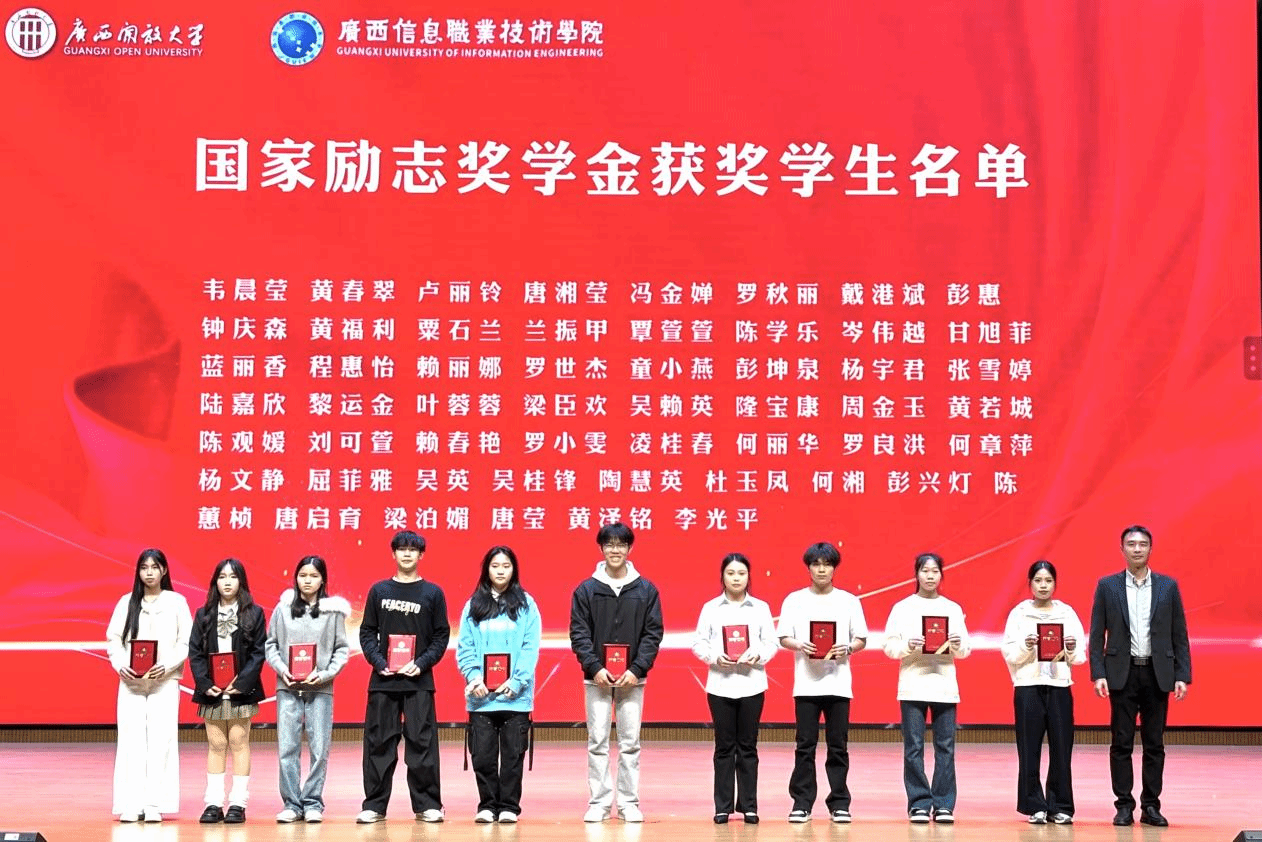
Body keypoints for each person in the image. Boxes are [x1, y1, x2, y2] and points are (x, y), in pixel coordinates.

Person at [1089, 525, 1191, 827]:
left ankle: (1151, 806)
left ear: (1150, 549)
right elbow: (1096, 633)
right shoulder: (1107, 586)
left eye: (1143, 544)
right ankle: (1123, 805)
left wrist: (1182, 674)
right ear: (1121, 549)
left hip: (1157, 673)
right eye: (1131, 544)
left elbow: (1179, 633)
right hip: (1122, 672)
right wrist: (1098, 672)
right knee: (1121, 742)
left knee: (1154, 743)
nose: (1137, 549)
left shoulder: (1167, 586)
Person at [570, 522, 664, 823]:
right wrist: (595, 667)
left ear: (629, 548)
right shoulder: (586, 589)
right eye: (609, 544)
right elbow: (579, 634)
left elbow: (653, 634)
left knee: (630, 743)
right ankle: (599, 803)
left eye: (621, 544)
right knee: (597, 741)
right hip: (596, 679)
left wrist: (636, 669)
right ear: (601, 548)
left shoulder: (646, 590)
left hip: (632, 680)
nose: (615, 550)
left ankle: (628, 803)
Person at [356, 530, 451, 824]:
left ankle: (427, 805)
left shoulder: (432, 593)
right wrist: (378, 662)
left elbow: (441, 635)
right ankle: (374, 805)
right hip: (383, 681)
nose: (407, 553)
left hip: (419, 681)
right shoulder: (379, 591)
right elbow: (367, 632)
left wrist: (421, 664)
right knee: (379, 744)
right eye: (402, 549)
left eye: (413, 549)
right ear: (393, 554)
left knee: (422, 744)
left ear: (421, 555)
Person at [776, 541, 868, 824]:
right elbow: (783, 637)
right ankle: (802, 803)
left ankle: (839, 803)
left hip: (838, 684)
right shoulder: (794, 600)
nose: (821, 569)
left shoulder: (849, 601)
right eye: (816, 564)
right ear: (808, 567)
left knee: (838, 746)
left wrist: (848, 648)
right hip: (806, 685)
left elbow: (861, 639)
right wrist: (799, 645)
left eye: (827, 564)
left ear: (834, 568)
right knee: (805, 745)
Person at [455, 545, 542, 824]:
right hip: (481, 698)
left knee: (513, 756)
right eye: (495, 566)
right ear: (487, 570)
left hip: (516, 698)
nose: (501, 571)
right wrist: (473, 677)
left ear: (514, 569)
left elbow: (530, 647)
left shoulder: (527, 604)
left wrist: (517, 681)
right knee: (483, 756)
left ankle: (508, 807)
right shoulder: (473, 605)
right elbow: (465, 646)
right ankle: (487, 805)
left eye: (506, 566)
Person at [882, 552, 970, 824]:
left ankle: (943, 804)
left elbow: (965, 650)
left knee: (946, 747)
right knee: (913, 747)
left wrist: (957, 644)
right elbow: (889, 647)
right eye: (925, 571)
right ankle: (919, 803)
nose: (930, 576)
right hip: (913, 684)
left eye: (935, 571)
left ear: (941, 575)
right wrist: (907, 646)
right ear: (916, 574)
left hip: (944, 684)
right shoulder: (902, 608)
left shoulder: (952, 609)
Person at [106, 548, 193, 823]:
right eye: (144, 568)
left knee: (161, 741)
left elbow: (185, 642)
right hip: (131, 682)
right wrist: (121, 665)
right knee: (131, 741)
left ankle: (155, 804)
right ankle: (131, 804)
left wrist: (166, 666)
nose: (149, 573)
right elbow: (114, 640)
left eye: (155, 567)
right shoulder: (127, 602)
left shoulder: (177, 602)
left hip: (164, 681)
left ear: (164, 570)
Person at [691, 552, 778, 824]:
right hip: (720, 685)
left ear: (749, 576)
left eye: (741, 573)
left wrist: (758, 655)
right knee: (724, 746)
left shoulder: (760, 608)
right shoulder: (710, 608)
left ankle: (749, 806)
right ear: (723, 577)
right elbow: (699, 643)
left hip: (752, 684)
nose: (736, 578)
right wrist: (714, 657)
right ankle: (723, 806)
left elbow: (771, 643)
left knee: (748, 746)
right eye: (731, 573)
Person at [264, 555, 351, 824]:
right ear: (296, 578)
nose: (307, 581)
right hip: (288, 687)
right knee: (287, 747)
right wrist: (282, 669)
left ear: (322, 579)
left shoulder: (333, 613)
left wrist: (324, 674)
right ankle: (291, 803)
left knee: (319, 747)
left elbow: (341, 649)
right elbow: (271, 644)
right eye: (303, 575)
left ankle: (313, 802)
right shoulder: (282, 609)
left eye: (313, 576)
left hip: (320, 689)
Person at [1001, 560, 1086, 825]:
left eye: (1048, 581)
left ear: (1055, 584)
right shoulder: (1019, 613)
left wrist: (1070, 647)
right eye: (1038, 580)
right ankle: (1034, 805)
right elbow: (1009, 654)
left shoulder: (1066, 613)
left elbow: (1080, 657)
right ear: (1030, 584)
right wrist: (1026, 645)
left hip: (1059, 686)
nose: (1043, 586)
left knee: (1062, 747)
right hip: (1028, 687)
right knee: (1029, 749)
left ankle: (1061, 805)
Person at [188, 557, 268, 824]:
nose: (227, 582)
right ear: (215, 582)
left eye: (233, 577)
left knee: (238, 741)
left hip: (241, 690)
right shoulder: (203, 614)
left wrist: (242, 683)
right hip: (211, 691)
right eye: (222, 577)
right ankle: (213, 803)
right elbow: (195, 653)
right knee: (216, 744)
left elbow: (258, 653)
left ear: (241, 581)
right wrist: (204, 682)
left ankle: (238, 803)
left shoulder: (254, 614)